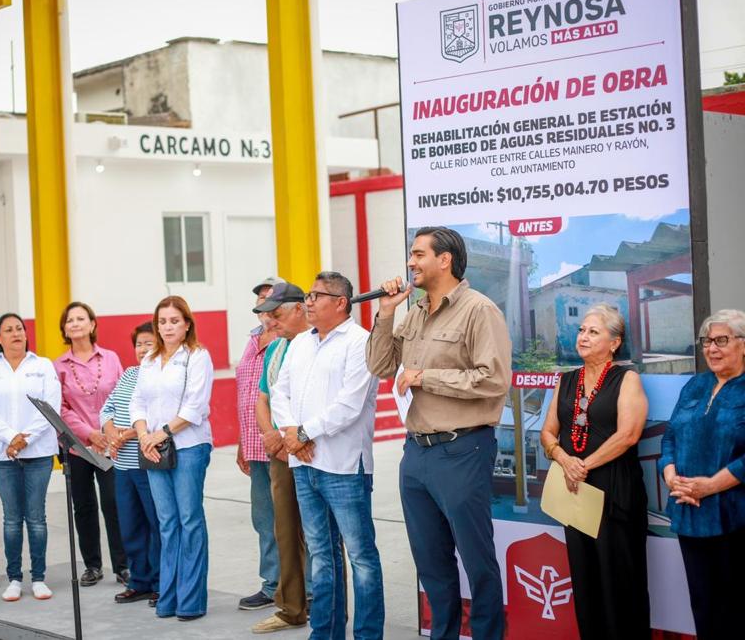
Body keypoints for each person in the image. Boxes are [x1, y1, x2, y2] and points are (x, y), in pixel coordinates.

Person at [367, 227, 511, 640]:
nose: (410, 263)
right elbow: (379, 367)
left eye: (418, 254)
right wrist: (387, 312)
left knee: (477, 561)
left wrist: (425, 377)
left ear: (444, 259)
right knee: (431, 563)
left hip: (462, 448)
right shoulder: (412, 313)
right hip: (416, 454)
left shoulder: (478, 310)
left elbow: (494, 380)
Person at [271, 271, 384, 640]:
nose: (308, 301)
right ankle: (326, 632)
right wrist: (292, 435)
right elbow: (280, 391)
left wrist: (302, 433)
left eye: (317, 295)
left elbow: (349, 406)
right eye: (308, 294)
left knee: (361, 558)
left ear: (340, 303)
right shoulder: (301, 342)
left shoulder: (360, 342)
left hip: (343, 466)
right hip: (304, 465)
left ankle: (367, 634)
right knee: (322, 556)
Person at [540, 305, 650, 639]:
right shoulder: (567, 380)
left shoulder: (626, 379)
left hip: (614, 492)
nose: (583, 337)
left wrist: (583, 464)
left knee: (620, 583)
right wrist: (563, 457)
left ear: (615, 342)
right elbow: (547, 433)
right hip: (575, 493)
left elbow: (628, 435)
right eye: (581, 331)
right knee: (585, 582)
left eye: (593, 332)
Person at [660, 309, 745, 640]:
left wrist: (711, 485)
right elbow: (669, 438)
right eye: (707, 341)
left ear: (742, 344)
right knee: (703, 606)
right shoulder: (695, 385)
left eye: (721, 340)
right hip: (689, 516)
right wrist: (670, 475)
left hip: (734, 518)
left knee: (735, 609)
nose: (712, 348)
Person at [131, 296, 215, 622]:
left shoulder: (197, 357)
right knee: (166, 524)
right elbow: (137, 402)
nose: (168, 327)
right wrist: (143, 436)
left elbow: (195, 407)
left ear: (187, 324)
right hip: (152, 447)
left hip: (188, 446)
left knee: (189, 521)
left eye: (174, 321)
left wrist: (160, 433)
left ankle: (191, 601)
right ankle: (168, 598)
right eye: (162, 321)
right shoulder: (149, 359)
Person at [0, 313, 61, 602]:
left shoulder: (42, 366)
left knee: (36, 517)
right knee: (12, 519)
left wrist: (25, 439)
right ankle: (13, 577)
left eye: (20, 329)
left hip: (38, 453)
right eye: (8, 330)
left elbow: (51, 407)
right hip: (2, 455)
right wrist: (9, 437)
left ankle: (38, 578)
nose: (16, 333)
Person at [250, 282, 313, 634]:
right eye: (267, 315)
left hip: (310, 448)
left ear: (299, 309)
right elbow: (264, 398)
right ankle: (290, 607)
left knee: (321, 533)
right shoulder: (276, 350)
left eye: (276, 314)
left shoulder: (313, 344)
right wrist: (269, 436)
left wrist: (292, 437)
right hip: (280, 451)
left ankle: (326, 601)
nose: (270, 321)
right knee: (285, 530)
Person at [53, 301, 128, 586]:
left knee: (114, 504)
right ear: (64, 329)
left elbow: (122, 396)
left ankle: (123, 566)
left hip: (111, 445)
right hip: (78, 448)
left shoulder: (110, 358)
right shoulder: (58, 365)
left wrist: (107, 434)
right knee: (83, 507)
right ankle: (92, 566)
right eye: (69, 320)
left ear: (92, 324)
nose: (75, 324)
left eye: (80, 318)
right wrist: (89, 434)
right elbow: (60, 407)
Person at [101, 321, 161, 605]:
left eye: (149, 343)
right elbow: (108, 407)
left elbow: (156, 415)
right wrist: (111, 433)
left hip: (147, 462)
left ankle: (161, 582)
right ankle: (139, 581)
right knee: (131, 525)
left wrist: (128, 434)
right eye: (139, 344)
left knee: (155, 525)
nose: (143, 349)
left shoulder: (161, 374)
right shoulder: (129, 374)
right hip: (122, 465)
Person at [236, 276, 282, 611]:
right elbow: (246, 394)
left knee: (292, 520)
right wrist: (241, 441)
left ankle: (306, 587)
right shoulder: (252, 340)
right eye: (260, 300)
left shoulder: (289, 338)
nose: (263, 306)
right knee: (264, 520)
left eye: (269, 298)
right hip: (254, 444)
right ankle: (272, 584)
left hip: (282, 444)